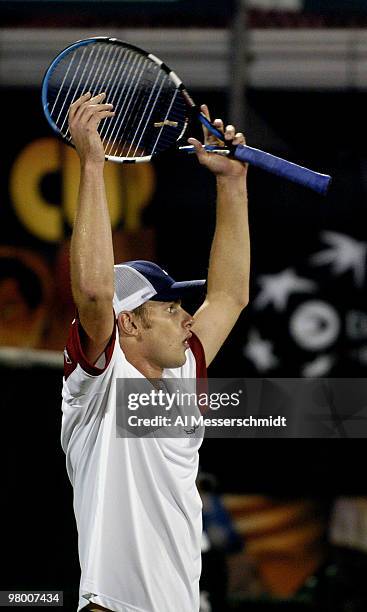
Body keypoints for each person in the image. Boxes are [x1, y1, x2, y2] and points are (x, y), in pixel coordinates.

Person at [61, 91, 250, 612]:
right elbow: (97, 291)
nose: (186, 319)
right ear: (129, 323)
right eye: (169, 309)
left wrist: (232, 184)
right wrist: (93, 166)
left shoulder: (182, 374)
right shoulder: (97, 384)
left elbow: (230, 296)